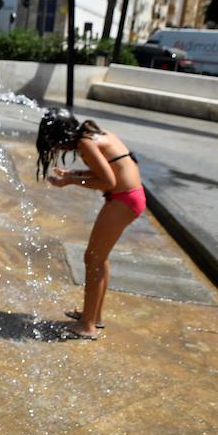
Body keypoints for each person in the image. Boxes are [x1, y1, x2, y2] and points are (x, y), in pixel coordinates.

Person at [36, 108, 145, 340]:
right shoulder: (94, 134)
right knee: (99, 258)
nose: (56, 148)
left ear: (61, 137)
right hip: (130, 196)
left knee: (93, 258)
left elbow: (108, 181)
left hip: (123, 200)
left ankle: (87, 327)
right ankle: (94, 316)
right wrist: (74, 174)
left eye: (54, 142)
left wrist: (71, 181)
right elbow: (106, 170)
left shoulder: (85, 143)